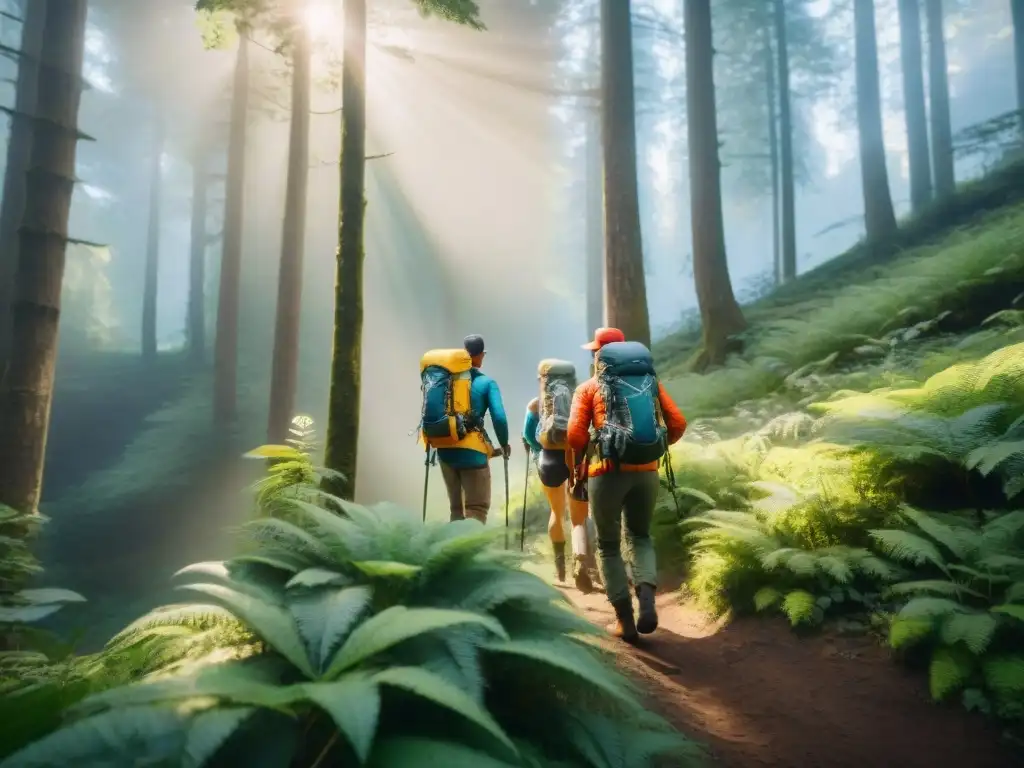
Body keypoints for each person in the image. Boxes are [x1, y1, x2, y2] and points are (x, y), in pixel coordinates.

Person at [567, 327, 687, 643]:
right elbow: (678, 424)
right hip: (647, 473)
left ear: (601, 355)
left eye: (595, 351)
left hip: (606, 474)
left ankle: (625, 621)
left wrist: (593, 446)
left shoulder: (589, 388)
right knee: (640, 536)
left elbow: (575, 436)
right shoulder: (650, 383)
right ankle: (646, 596)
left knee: (608, 545)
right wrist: (655, 449)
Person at [522, 359, 599, 592]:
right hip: (574, 457)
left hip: (548, 459)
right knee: (579, 517)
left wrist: (538, 454)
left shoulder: (536, 405)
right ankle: (581, 561)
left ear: (542, 380)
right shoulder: (579, 397)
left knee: (556, 512)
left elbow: (528, 435)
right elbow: (590, 430)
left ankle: (560, 570)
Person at [435, 334, 510, 523]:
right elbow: (499, 418)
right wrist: (504, 443)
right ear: (479, 355)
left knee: (456, 511)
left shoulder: (446, 380)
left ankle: (454, 552)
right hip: (473, 454)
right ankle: (469, 551)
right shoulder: (486, 383)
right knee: (476, 510)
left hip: (445, 451)